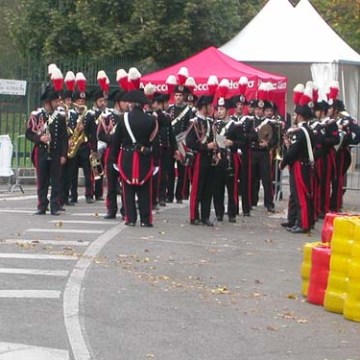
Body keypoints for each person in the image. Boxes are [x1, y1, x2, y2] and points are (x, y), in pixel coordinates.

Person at [111, 89, 159, 227]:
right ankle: (145, 219)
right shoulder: (151, 120)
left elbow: (116, 141)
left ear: (131, 104)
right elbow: (155, 143)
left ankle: (130, 218)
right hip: (145, 157)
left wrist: (114, 159)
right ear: (143, 104)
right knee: (145, 190)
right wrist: (156, 161)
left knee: (128, 189)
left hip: (127, 157)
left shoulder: (123, 118)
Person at [25, 84, 68, 215]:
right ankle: (42, 205)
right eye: (55, 101)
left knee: (56, 182)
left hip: (55, 153)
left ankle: (55, 206)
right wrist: (39, 138)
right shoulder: (36, 115)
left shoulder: (60, 117)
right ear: (48, 102)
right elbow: (28, 133)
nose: (57, 104)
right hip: (42, 152)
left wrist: (63, 155)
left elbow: (63, 138)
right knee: (42, 181)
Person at [280, 86, 315, 234]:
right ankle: (294, 219)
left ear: (300, 116)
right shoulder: (306, 130)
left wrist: (283, 161)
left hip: (300, 165)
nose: (293, 116)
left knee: (301, 195)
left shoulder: (301, 132)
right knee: (295, 195)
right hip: (301, 164)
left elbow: (293, 152)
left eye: (295, 114)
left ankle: (303, 223)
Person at [185, 94, 216, 226]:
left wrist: (216, 150)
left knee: (208, 189)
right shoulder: (194, 122)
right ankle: (194, 216)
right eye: (209, 106)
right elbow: (190, 142)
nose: (211, 108)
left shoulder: (210, 122)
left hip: (209, 158)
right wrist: (205, 146)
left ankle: (205, 216)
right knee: (197, 188)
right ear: (204, 107)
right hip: (199, 158)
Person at [67, 75, 98, 204]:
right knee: (72, 173)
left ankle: (89, 194)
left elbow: (93, 132)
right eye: (79, 101)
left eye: (83, 101)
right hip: (74, 145)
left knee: (88, 172)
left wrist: (94, 149)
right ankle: (72, 194)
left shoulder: (89, 115)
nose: (81, 103)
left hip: (85, 145)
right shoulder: (70, 114)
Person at [98, 88, 127, 219]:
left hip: (124, 151)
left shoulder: (128, 117)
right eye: (124, 101)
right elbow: (101, 135)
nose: (127, 104)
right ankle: (111, 209)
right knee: (111, 183)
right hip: (111, 151)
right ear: (118, 102)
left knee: (125, 182)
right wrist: (114, 139)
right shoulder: (107, 117)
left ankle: (125, 209)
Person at [212, 97, 240, 222]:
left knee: (231, 187)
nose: (220, 111)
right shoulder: (215, 124)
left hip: (230, 158)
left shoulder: (234, 125)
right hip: (218, 158)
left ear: (227, 110)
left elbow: (243, 142)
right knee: (217, 187)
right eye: (218, 109)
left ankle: (232, 213)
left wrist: (232, 142)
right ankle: (219, 212)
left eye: (222, 109)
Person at [248, 99, 277, 212]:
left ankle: (269, 203)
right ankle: (252, 201)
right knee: (252, 178)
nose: (258, 111)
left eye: (261, 109)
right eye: (257, 109)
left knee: (266, 179)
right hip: (253, 151)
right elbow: (247, 136)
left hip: (264, 153)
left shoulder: (269, 123)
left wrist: (268, 143)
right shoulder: (250, 122)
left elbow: (275, 138)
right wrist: (256, 137)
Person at [167, 85, 193, 204]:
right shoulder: (170, 109)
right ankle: (169, 195)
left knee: (182, 170)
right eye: (176, 95)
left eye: (180, 95)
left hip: (182, 142)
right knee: (170, 170)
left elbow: (190, 127)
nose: (178, 98)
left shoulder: (189, 111)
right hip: (171, 142)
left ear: (184, 96)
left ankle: (179, 195)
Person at [152, 92, 178, 207]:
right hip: (156, 148)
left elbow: (171, 134)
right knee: (155, 173)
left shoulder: (166, 116)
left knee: (164, 173)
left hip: (166, 148)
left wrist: (175, 148)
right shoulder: (153, 116)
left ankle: (162, 196)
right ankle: (154, 196)